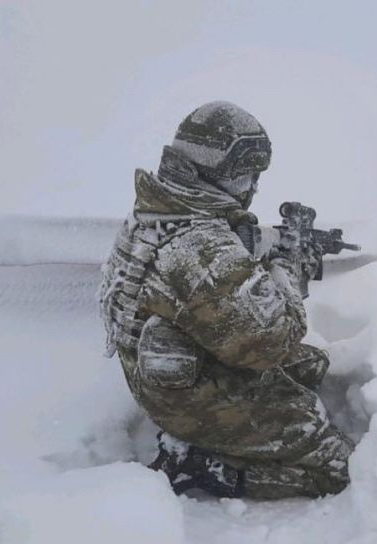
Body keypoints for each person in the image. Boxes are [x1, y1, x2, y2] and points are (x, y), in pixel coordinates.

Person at [99, 101, 353, 499]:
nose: (250, 190)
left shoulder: (158, 210)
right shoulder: (200, 248)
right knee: (341, 467)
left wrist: (262, 250)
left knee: (313, 366)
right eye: (243, 178)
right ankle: (204, 468)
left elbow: (210, 285)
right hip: (187, 399)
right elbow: (274, 341)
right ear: (208, 172)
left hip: (167, 371)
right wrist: (287, 265)